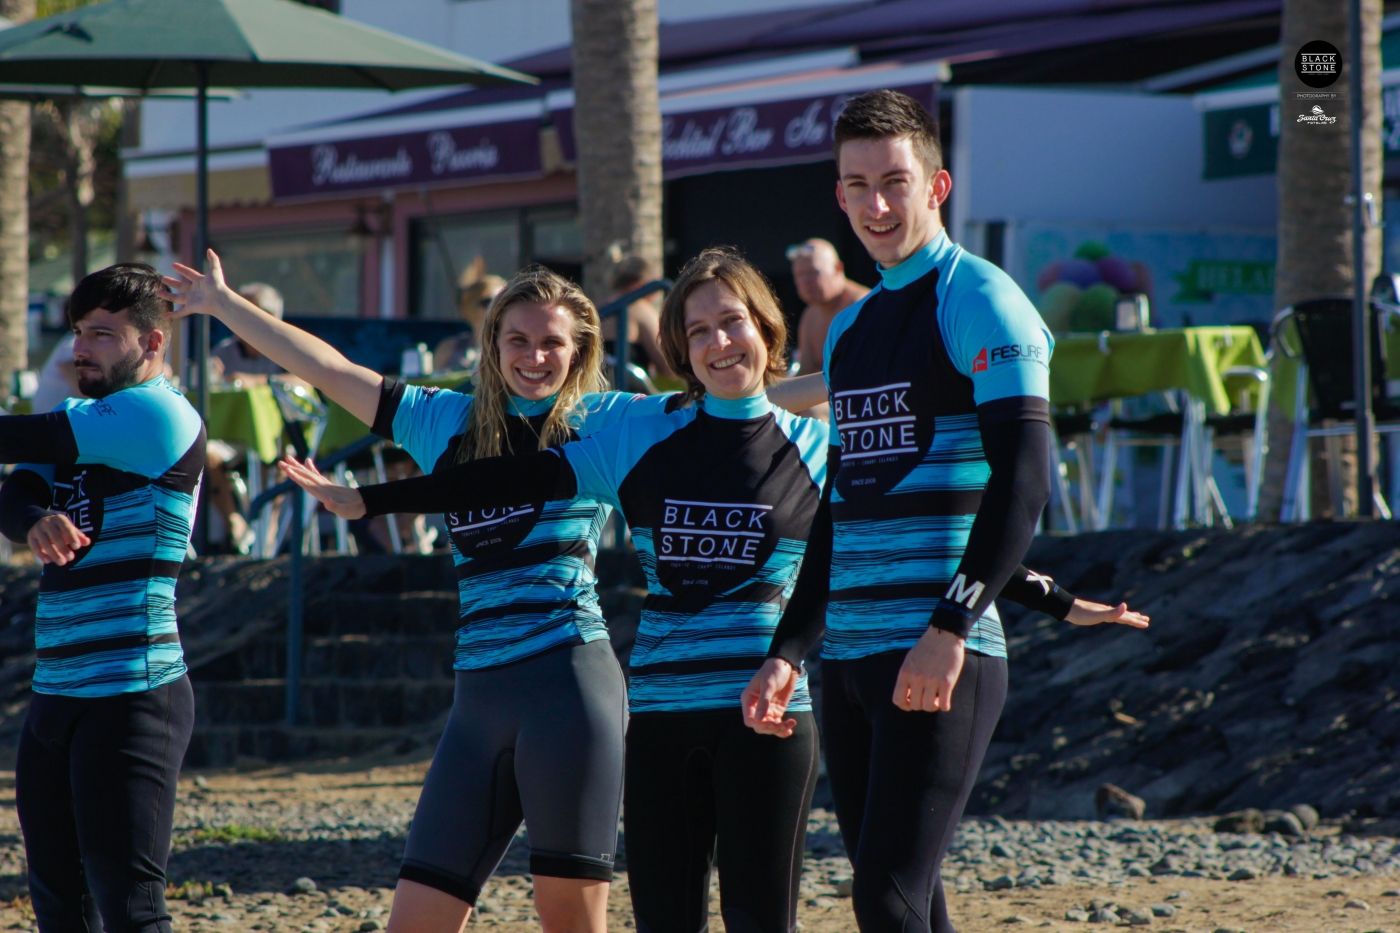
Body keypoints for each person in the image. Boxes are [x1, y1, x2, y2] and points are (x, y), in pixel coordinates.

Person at [277, 249, 1134, 933]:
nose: (721, 342)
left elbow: (918, 535)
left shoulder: (816, 447)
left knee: (763, 920)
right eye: (699, 331)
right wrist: (372, 500)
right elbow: (508, 476)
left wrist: (1052, 598)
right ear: (680, 351)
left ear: (766, 328)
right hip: (657, 715)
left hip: (766, 716)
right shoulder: (642, 436)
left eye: (734, 323)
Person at [159, 250, 830, 933]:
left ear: (580, 351)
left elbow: (738, 406)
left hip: (570, 684)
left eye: (553, 343)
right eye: (518, 339)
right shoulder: (440, 421)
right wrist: (224, 305)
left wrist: (854, 378)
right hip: (478, 697)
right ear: (492, 345)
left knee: (569, 918)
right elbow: (330, 371)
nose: (535, 357)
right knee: (415, 921)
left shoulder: (602, 420)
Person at [741, 89, 1146, 933]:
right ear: (839, 194)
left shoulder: (982, 300)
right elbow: (844, 511)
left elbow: (1022, 484)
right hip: (850, 657)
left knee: (885, 898)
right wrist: (790, 647)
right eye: (858, 185)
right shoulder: (850, 330)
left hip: (937, 650)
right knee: (911, 899)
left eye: (895, 181)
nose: (877, 204)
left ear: (937, 185)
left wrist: (951, 626)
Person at [0, 263, 203, 933]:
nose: (80, 349)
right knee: (60, 908)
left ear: (152, 342)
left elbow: (19, 439)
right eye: (78, 331)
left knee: (131, 910)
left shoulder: (159, 414)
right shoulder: (81, 417)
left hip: (133, 694)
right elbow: (17, 489)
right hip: (56, 692)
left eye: (102, 334)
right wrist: (34, 519)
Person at [788, 238, 869, 376]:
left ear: (838, 269)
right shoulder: (810, 315)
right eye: (800, 275)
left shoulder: (863, 306)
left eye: (813, 272)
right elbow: (805, 372)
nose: (805, 281)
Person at [602, 255, 674, 380]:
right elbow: (670, 366)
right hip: (627, 389)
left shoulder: (598, 307)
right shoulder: (639, 309)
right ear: (642, 286)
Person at [433, 259, 507, 374]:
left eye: (503, 302)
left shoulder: (511, 348)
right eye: (488, 302)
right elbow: (433, 382)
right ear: (469, 307)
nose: (496, 307)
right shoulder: (449, 348)